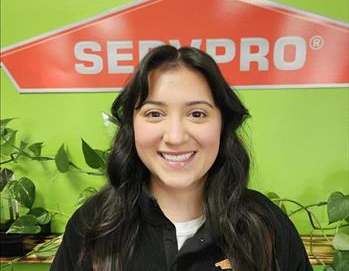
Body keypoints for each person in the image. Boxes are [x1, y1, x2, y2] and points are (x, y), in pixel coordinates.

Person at [50, 45, 312, 271]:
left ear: (223, 124)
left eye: (197, 114)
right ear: (132, 125)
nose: (175, 137)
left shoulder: (265, 225)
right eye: (154, 114)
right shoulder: (93, 225)